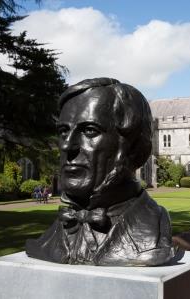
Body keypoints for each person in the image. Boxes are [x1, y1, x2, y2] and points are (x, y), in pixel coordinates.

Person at [26, 78, 176, 266]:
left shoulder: (152, 232)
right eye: (63, 131)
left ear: (135, 147)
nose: (66, 145)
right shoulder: (47, 242)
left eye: (89, 130)